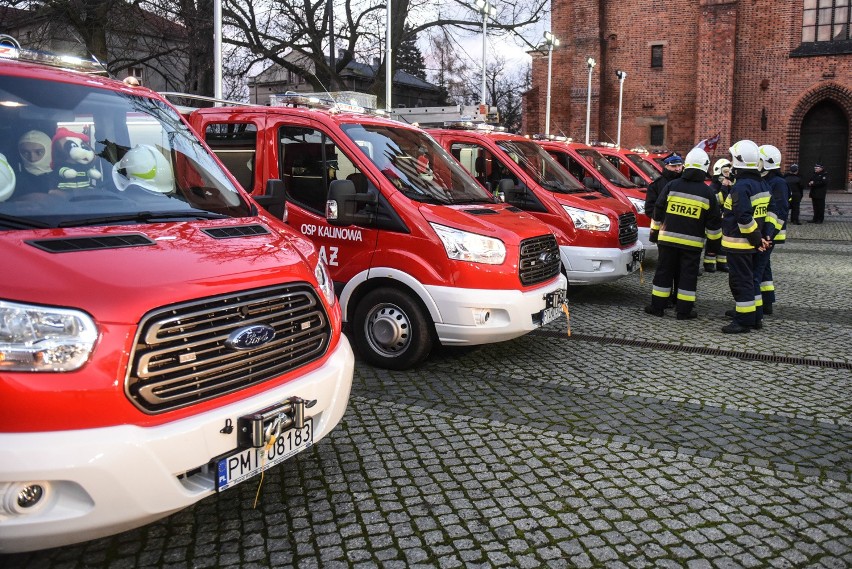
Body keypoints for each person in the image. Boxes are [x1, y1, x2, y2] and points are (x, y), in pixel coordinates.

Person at [644, 147, 721, 320]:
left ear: (686, 165)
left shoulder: (672, 186)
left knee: (663, 272)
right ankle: (684, 311)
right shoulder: (708, 193)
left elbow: (658, 211)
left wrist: (654, 234)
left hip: (667, 241)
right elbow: (714, 224)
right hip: (692, 245)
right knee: (688, 276)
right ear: (705, 167)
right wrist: (714, 247)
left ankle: (658, 307)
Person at [720, 140, 771, 334]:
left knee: (741, 282)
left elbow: (743, 217)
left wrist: (756, 240)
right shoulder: (761, 183)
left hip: (739, 244)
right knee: (749, 280)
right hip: (750, 243)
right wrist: (761, 239)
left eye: (732, 159)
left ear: (738, 161)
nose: (730, 163)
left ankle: (744, 321)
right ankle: (755, 316)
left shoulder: (741, 186)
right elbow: (764, 213)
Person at [754, 144, 789, 317]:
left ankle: (754, 309)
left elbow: (780, 212)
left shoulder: (778, 183)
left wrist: (769, 235)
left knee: (756, 271)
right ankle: (767, 304)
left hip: (768, 235)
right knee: (764, 269)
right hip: (764, 234)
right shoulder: (767, 181)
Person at [703, 158, 734, 272]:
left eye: (728, 172)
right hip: (715, 218)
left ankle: (722, 262)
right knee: (713, 241)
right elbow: (719, 200)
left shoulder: (730, 185)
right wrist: (725, 187)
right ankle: (709, 262)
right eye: (725, 172)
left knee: (724, 240)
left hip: (725, 218)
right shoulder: (713, 186)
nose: (727, 175)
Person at [14, 130, 53, 197]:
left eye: (39, 152)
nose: (32, 158)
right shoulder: (13, 181)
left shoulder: (64, 175)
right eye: (25, 153)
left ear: (49, 150)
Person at [644, 152, 683, 218]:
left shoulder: (686, 182)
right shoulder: (656, 185)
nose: (677, 169)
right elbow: (649, 209)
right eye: (673, 166)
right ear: (666, 166)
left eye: (679, 165)